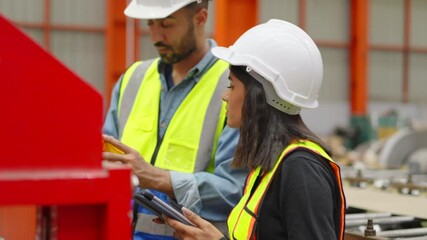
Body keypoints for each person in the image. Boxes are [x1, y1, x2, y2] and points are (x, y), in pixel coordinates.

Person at [163, 19, 347, 240]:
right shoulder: (269, 164)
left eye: (231, 85)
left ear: (259, 93)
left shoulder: (301, 169)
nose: (225, 96)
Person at [102, 0, 248, 239]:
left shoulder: (232, 86)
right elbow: (107, 161)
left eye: (167, 24)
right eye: (150, 24)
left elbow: (235, 190)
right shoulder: (132, 79)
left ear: (200, 18)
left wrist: (158, 178)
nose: (156, 36)